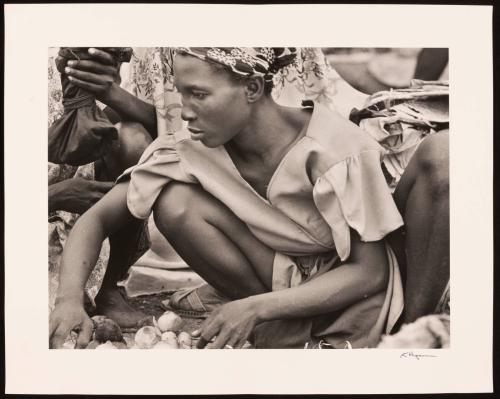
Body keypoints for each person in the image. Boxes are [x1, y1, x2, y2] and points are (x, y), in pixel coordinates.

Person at [50, 47, 408, 349]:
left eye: (199, 94)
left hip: (346, 292)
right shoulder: (188, 148)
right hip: (280, 274)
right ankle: (272, 323)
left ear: (251, 88)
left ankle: (265, 317)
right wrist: (68, 299)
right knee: (175, 202)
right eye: (181, 93)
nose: (184, 111)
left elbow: (369, 273)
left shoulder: (334, 149)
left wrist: (256, 308)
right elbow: (96, 218)